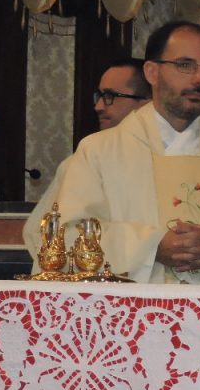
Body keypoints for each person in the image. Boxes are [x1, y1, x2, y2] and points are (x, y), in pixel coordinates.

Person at [42, 20, 200, 284]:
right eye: (185, 65)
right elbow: (64, 235)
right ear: (152, 72)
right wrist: (151, 247)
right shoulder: (98, 152)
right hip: (129, 317)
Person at [23, 59, 152, 257]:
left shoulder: (170, 160)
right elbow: (44, 236)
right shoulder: (89, 154)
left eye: (110, 96)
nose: (98, 106)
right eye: (99, 96)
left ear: (146, 103)